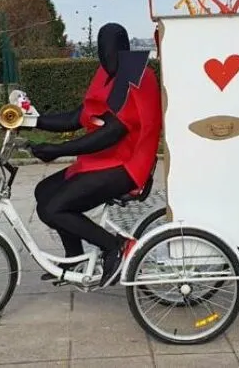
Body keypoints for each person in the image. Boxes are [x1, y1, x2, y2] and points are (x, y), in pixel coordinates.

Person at [27, 23, 162, 287]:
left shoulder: (135, 73)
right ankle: (74, 259)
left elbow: (111, 132)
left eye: (109, 53)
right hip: (104, 160)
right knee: (44, 192)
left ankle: (115, 247)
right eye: (101, 52)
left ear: (124, 49)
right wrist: (33, 121)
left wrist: (59, 150)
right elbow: (80, 115)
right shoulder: (106, 73)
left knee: (54, 209)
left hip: (128, 164)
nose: (105, 59)